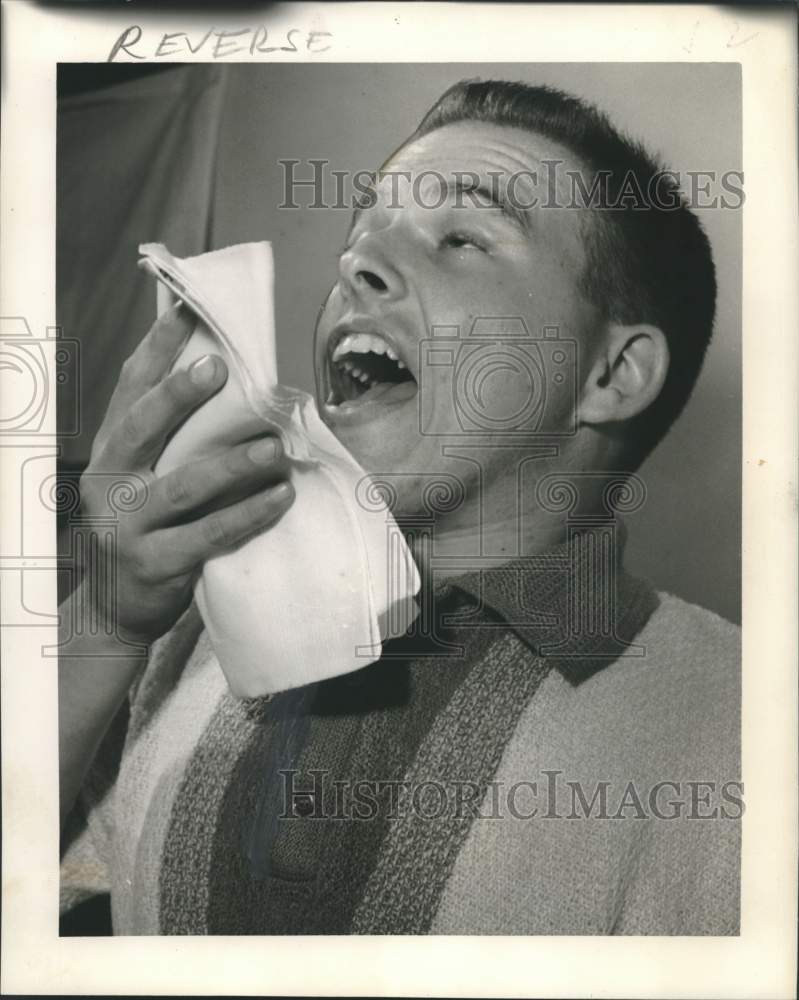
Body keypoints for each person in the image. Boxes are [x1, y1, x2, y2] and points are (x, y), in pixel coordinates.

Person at [59, 80, 740, 935]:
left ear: (610, 375)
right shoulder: (183, 639)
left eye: (461, 237)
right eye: (361, 232)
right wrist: (108, 617)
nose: (353, 262)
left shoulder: (745, 724)